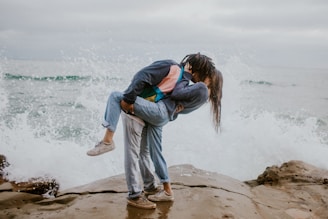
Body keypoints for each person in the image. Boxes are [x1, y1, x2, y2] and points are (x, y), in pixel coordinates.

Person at [87, 53, 223, 209]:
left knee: (116, 96)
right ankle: (160, 189)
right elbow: (179, 104)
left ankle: (108, 141)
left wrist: (130, 99)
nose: (202, 76)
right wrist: (174, 109)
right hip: (161, 117)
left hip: (156, 111)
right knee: (152, 152)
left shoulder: (197, 86)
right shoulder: (198, 91)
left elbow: (175, 93)